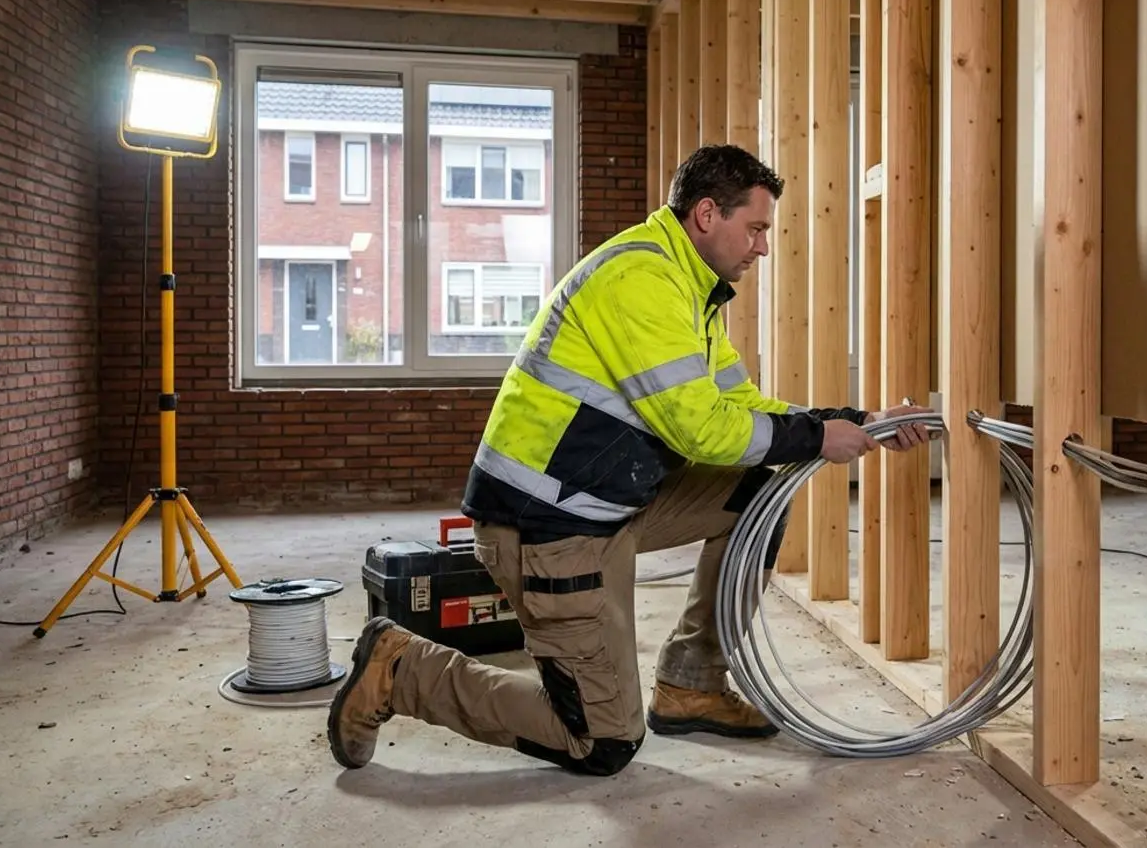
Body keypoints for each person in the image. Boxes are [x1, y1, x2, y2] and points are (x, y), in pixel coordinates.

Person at [326, 144, 933, 777]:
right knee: (601, 742)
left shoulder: (690, 290)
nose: (762, 247)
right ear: (707, 215)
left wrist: (857, 421)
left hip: (608, 503)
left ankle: (691, 684)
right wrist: (816, 439)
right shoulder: (641, 281)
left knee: (757, 493)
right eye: (755, 228)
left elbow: (742, 407)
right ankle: (400, 668)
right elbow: (701, 430)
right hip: (546, 528)